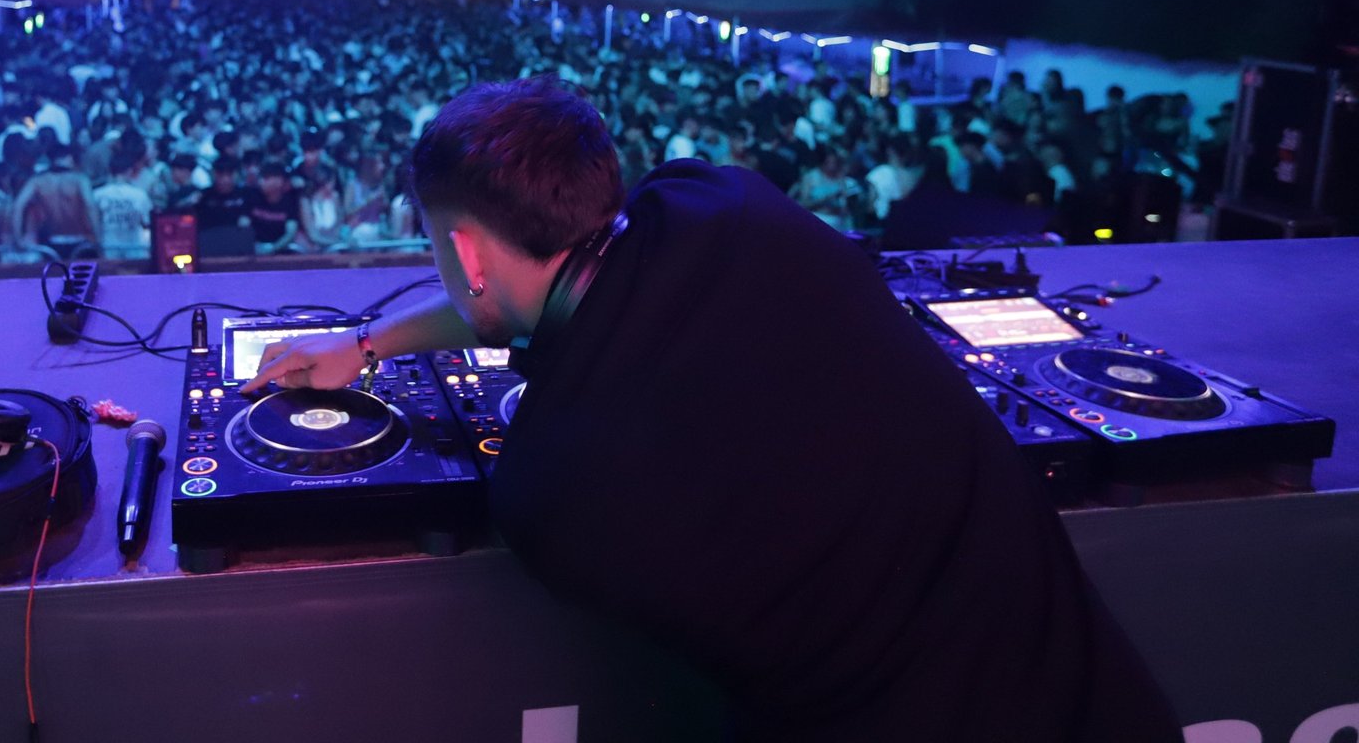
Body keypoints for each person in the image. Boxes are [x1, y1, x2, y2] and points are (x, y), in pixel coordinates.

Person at [244, 76, 1178, 742]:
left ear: (466, 252)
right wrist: (366, 345)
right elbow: (544, 290)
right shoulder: (721, 200)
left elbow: (530, 317)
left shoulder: (554, 492)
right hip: (1093, 689)